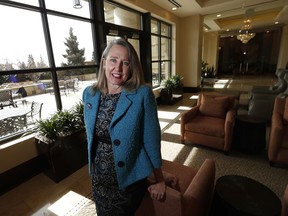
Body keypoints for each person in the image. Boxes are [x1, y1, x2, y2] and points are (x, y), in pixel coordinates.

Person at [82, 38, 166, 216]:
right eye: (113, 60)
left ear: (132, 67)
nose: (118, 68)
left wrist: (160, 179)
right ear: (104, 62)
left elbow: (151, 139)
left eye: (125, 63)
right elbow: (92, 137)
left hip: (129, 182)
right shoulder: (90, 94)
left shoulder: (142, 94)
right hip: (99, 179)